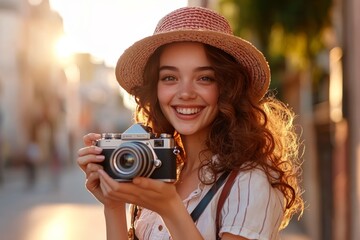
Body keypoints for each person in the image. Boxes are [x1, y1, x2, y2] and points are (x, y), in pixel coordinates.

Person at [77, 6, 304, 240]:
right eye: (170, 78)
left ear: (227, 88)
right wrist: (113, 205)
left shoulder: (249, 181)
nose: (185, 93)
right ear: (155, 89)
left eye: (204, 78)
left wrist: (170, 208)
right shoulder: (159, 170)